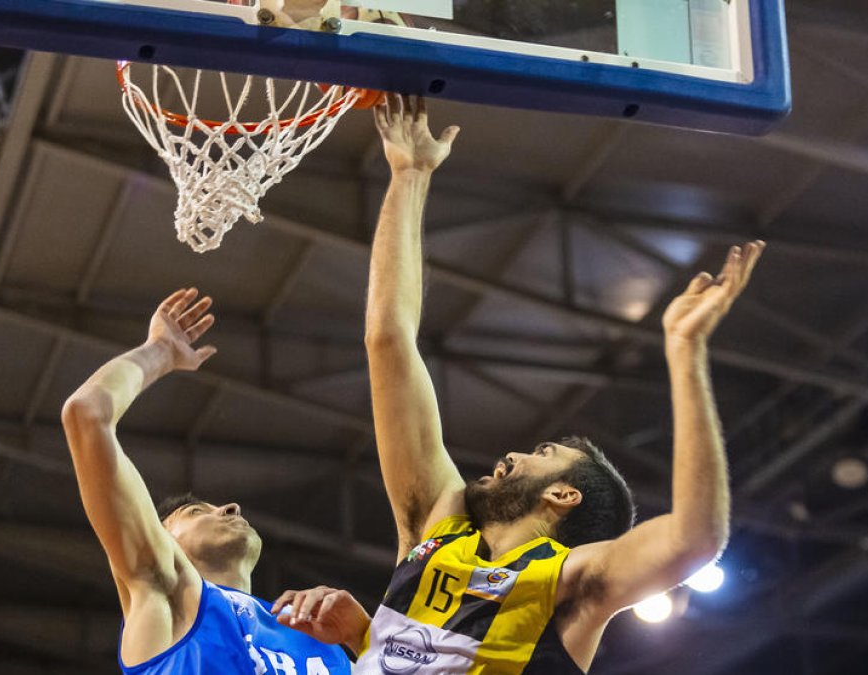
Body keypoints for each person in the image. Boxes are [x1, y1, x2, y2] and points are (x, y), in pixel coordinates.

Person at [283, 95, 766, 673]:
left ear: (564, 495)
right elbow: (388, 341)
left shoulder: (574, 584)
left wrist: (685, 352)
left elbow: (694, 540)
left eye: (543, 454)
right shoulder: (437, 530)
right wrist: (409, 175)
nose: (511, 453)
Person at [61, 288, 361, 675]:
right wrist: (161, 352)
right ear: (162, 536)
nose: (229, 507)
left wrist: (363, 636)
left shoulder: (324, 641)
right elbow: (86, 415)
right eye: (196, 510)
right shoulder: (165, 594)